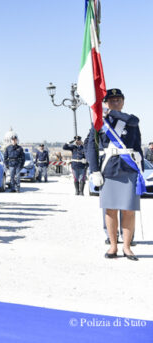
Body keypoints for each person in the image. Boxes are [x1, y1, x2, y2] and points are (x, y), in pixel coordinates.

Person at [85, 88, 142, 261]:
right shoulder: (99, 123)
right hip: (109, 169)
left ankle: (127, 247)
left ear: (123, 102)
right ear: (105, 103)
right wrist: (94, 170)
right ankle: (113, 246)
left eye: (118, 100)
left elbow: (137, 145)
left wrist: (140, 167)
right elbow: (91, 147)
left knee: (129, 210)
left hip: (129, 169)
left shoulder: (131, 120)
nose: (116, 102)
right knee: (110, 210)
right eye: (112, 100)